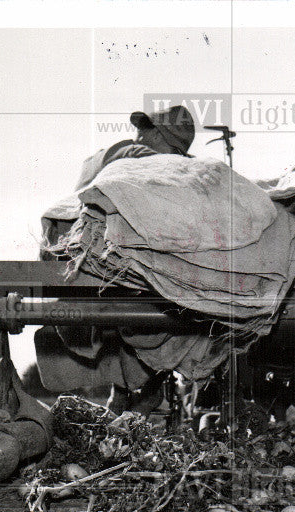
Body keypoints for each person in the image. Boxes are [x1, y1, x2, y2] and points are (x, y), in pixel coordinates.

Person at [37, 105, 197, 414]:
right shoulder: (129, 154)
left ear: (166, 139)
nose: (140, 133)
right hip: (91, 253)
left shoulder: (162, 167)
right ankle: (131, 393)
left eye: (148, 129)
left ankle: (131, 393)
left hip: (116, 268)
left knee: (145, 316)